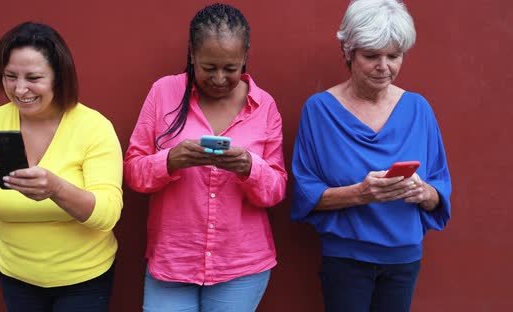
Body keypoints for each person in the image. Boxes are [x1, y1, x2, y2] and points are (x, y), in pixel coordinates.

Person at [0, 22, 123, 311]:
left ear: (58, 77)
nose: (20, 89)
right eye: (10, 76)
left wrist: (56, 188)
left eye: (34, 77)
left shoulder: (94, 127)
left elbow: (107, 214)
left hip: (84, 279)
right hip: (16, 277)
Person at [124, 3, 287, 311]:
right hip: (174, 260)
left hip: (240, 264)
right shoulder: (163, 93)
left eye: (231, 68)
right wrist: (170, 160)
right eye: (208, 68)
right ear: (192, 56)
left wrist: (249, 167)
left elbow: (276, 189)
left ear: (245, 58)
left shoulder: (263, 105)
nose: (220, 78)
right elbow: (133, 172)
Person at [290, 0, 452, 311]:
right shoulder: (319, 111)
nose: (384, 66)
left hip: (403, 258)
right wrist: (361, 193)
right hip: (345, 258)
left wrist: (423, 191)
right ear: (348, 53)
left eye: (394, 56)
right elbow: (305, 194)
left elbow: (439, 193)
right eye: (371, 55)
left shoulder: (419, 109)